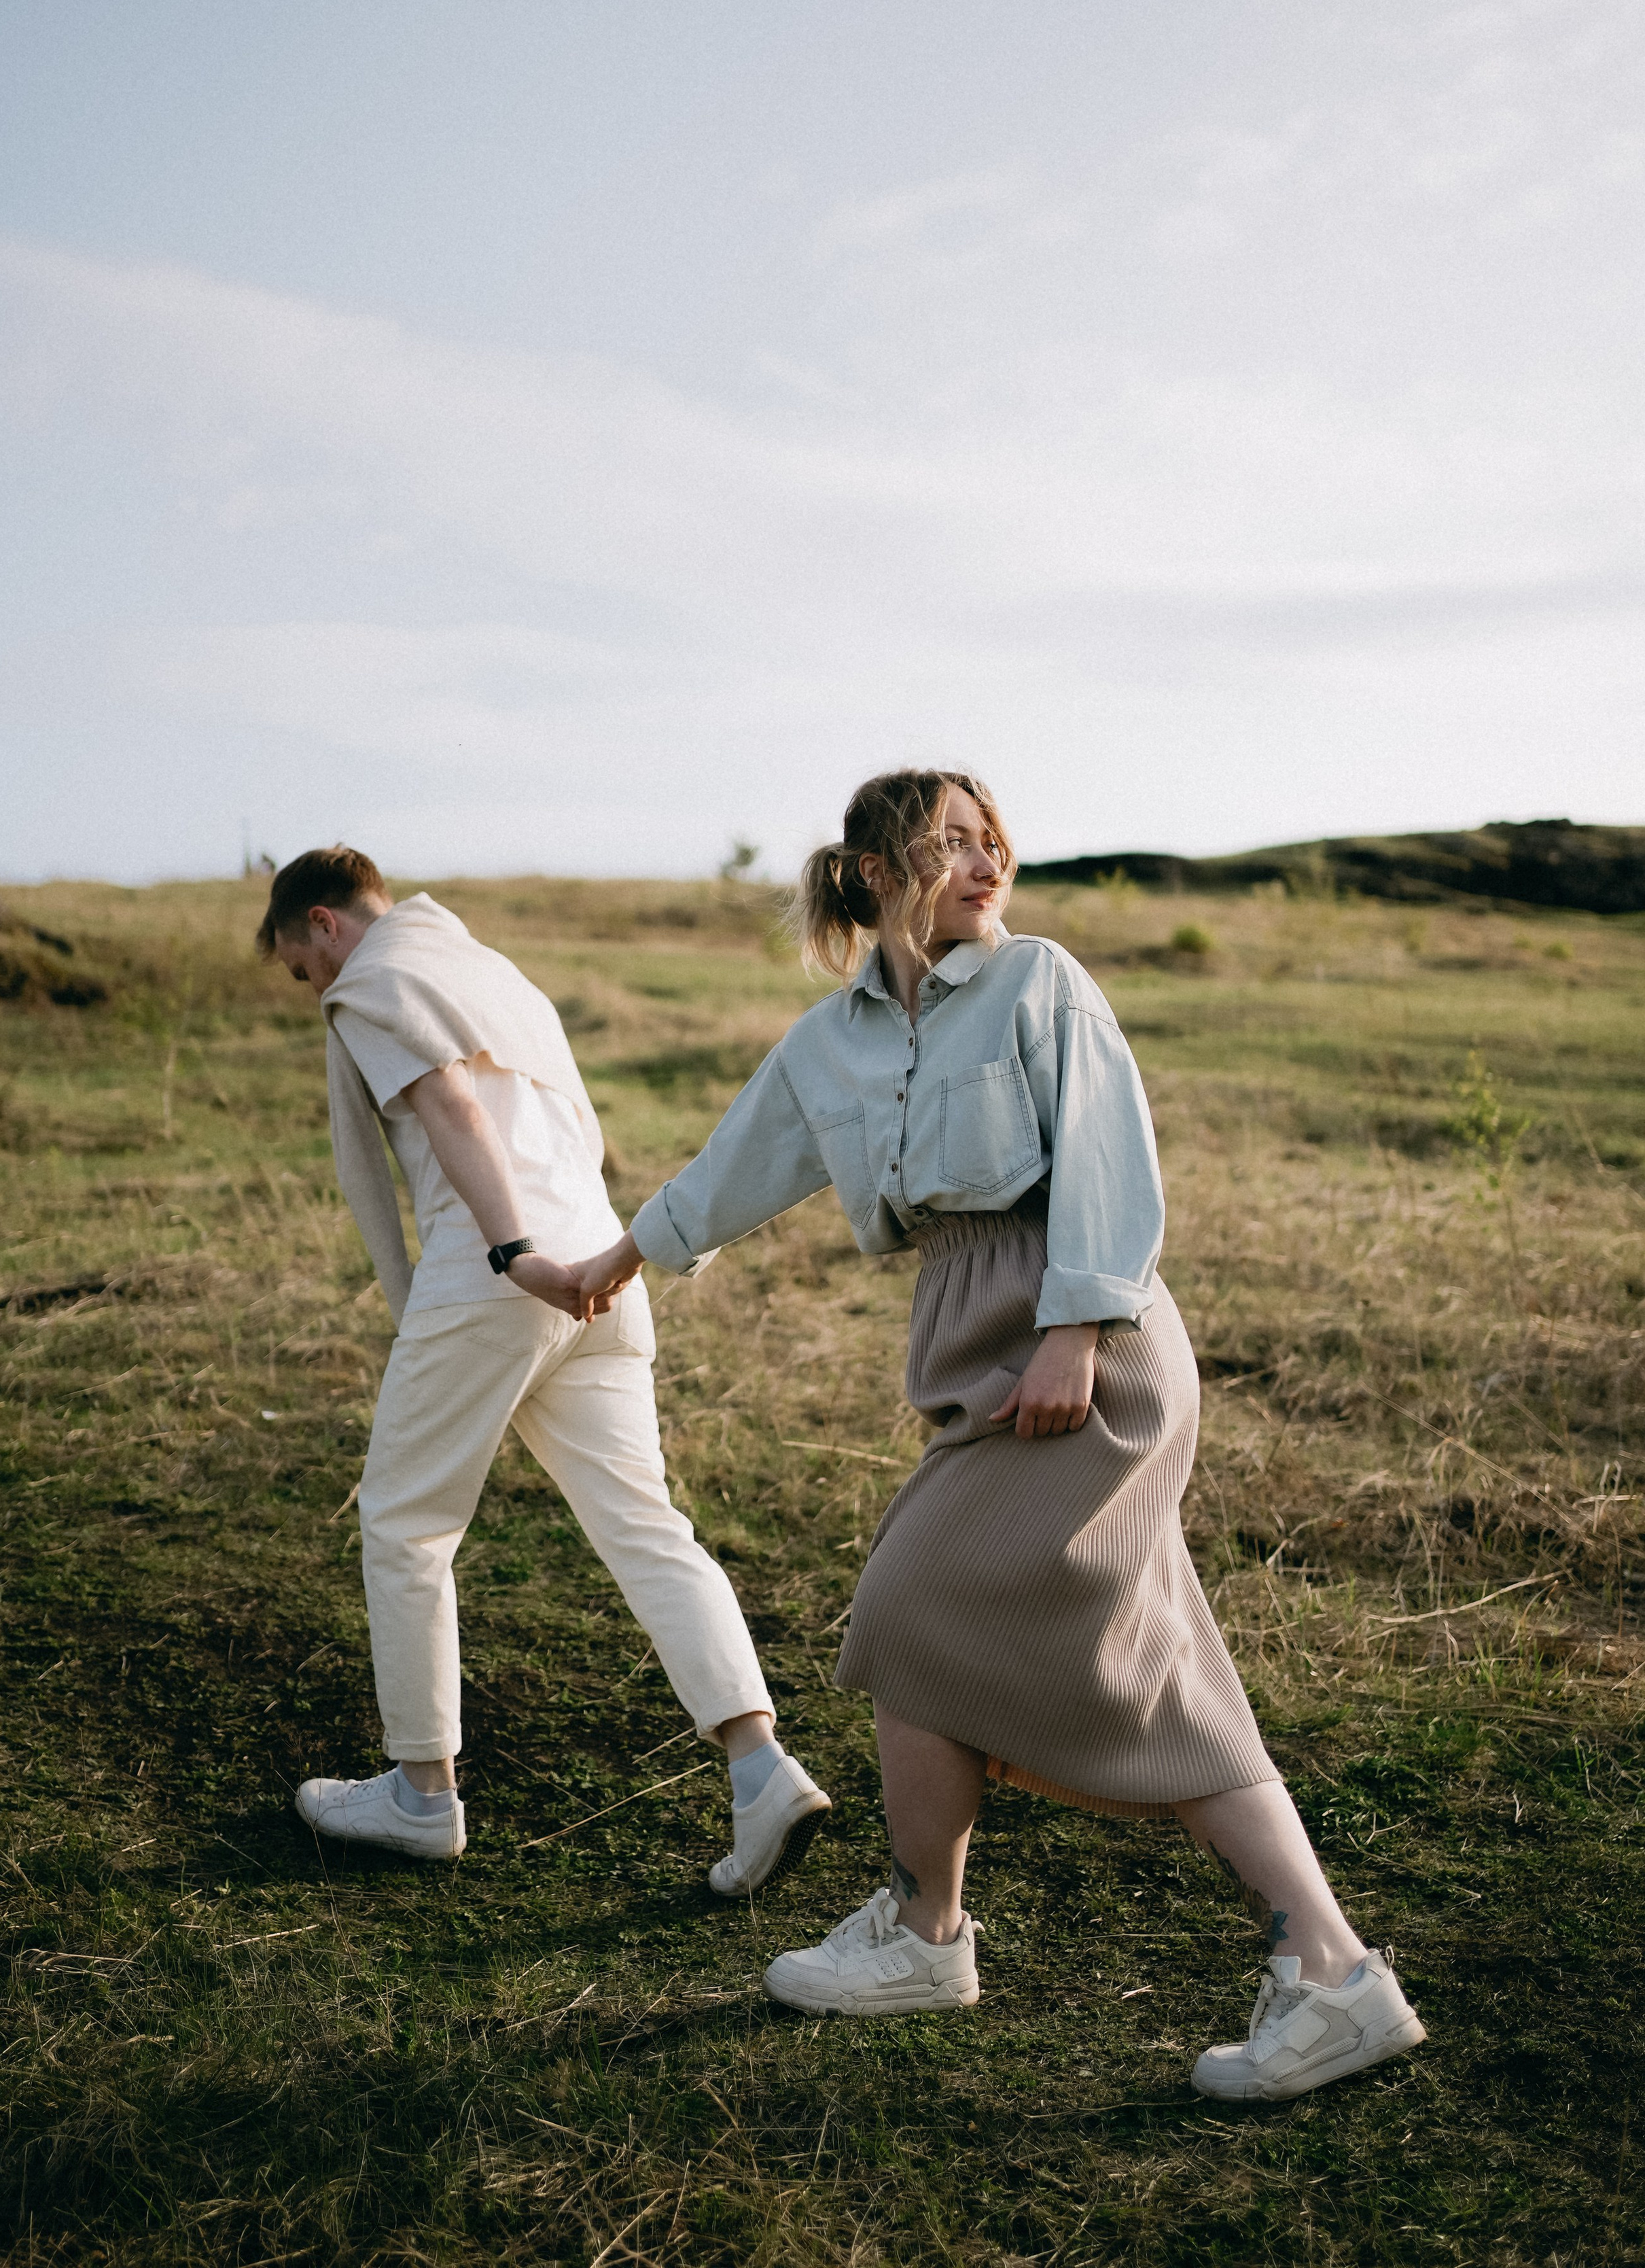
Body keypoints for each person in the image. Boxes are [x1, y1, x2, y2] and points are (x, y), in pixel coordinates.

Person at [575, 772, 1425, 2101]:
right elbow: (741, 1162)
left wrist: (1073, 1330)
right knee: (1044, 1646)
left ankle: (954, 1938)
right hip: (977, 1345)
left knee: (927, 1610)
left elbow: (1106, 1154)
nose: (985, 867)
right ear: (874, 873)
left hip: (1085, 1347)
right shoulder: (831, 1042)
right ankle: (1284, 1969)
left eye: (992, 845)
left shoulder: (1038, 982)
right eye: (951, 845)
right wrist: (613, 1260)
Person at [258, 846, 829, 1890]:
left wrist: (513, 1254)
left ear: (325, 925)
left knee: (405, 1522)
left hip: (499, 1275)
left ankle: (422, 1795)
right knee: (648, 1526)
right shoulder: (492, 972)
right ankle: (762, 1771)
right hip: (603, 1269)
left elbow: (454, 1108)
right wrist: (559, 1256)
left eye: (304, 968)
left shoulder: (378, 977)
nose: (315, 990)